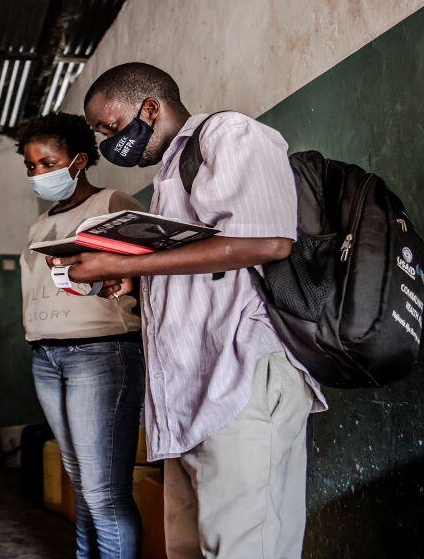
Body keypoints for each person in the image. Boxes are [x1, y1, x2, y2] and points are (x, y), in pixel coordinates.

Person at [50, 63, 328, 559]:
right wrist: (134, 274)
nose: (110, 143)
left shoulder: (230, 133)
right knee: (195, 545)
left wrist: (120, 259)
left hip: (239, 376)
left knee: (245, 547)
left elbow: (267, 241)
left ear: (150, 108)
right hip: (192, 388)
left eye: (111, 127)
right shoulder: (170, 174)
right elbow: (206, 267)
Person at [17, 112, 145, 559]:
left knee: (104, 489)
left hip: (102, 353)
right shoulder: (39, 226)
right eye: (31, 166)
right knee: (82, 482)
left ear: (79, 161)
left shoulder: (112, 203)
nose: (38, 173)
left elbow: (149, 273)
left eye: (48, 162)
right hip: (47, 357)